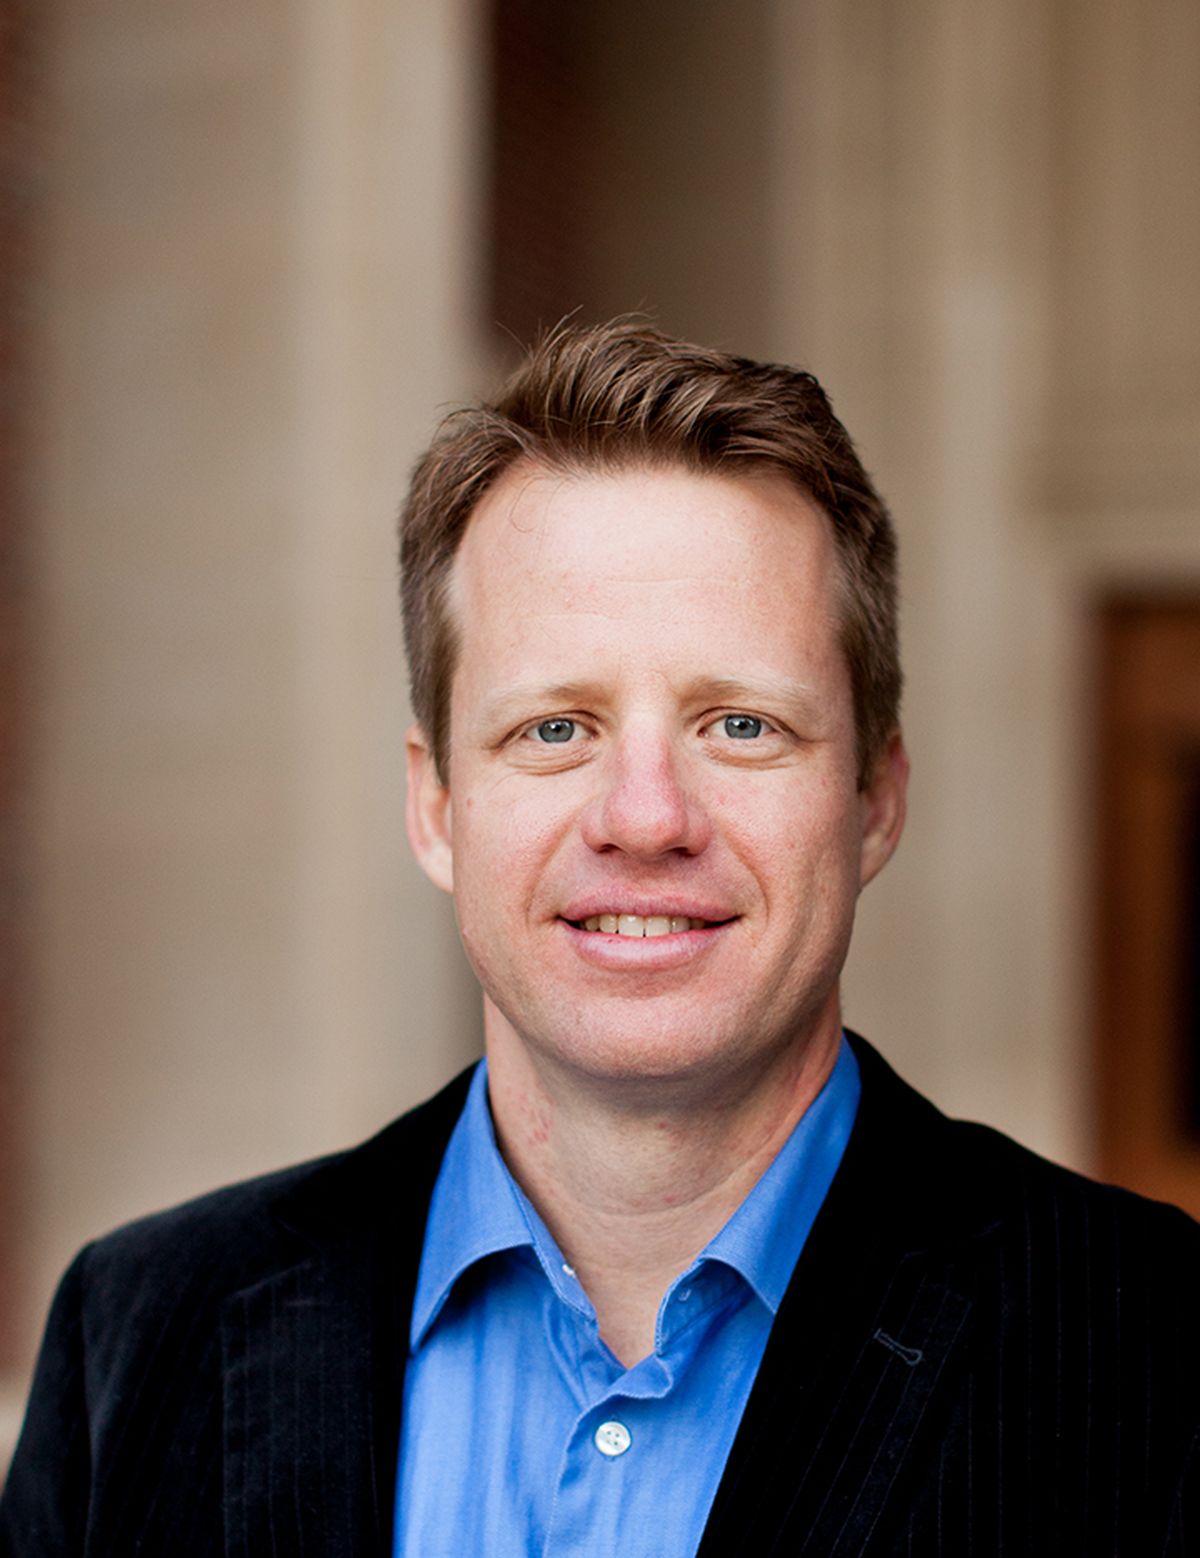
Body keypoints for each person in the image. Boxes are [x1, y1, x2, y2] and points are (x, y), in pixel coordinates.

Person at [2, 321, 1198, 1556]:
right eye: (555, 729)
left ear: (875, 800)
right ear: (436, 805)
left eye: (739, 725)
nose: (644, 818)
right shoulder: (142, 1335)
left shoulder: (1159, 1348)